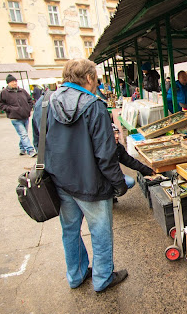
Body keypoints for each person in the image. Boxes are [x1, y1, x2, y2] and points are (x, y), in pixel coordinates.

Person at [41, 58, 129, 292]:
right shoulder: (94, 105)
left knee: (70, 231)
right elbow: (106, 155)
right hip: (91, 184)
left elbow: (38, 142)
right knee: (100, 233)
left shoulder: (45, 102)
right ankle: (102, 279)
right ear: (89, 78)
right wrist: (119, 184)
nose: (97, 82)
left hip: (60, 182)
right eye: (97, 78)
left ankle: (76, 275)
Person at [0, 74, 36, 157]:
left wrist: (28, 108)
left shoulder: (22, 91)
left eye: (15, 81)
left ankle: (22, 149)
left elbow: (29, 100)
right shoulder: (4, 92)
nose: (14, 83)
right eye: (12, 82)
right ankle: (30, 150)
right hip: (15, 117)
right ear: (8, 83)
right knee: (23, 134)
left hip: (25, 115)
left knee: (24, 133)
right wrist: (10, 109)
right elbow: (0, 104)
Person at [112, 124, 154, 191]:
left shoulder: (118, 147)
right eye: (114, 133)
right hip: (100, 178)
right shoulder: (101, 149)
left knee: (130, 182)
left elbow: (130, 161)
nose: (117, 136)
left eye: (117, 133)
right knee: (126, 183)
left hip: (112, 174)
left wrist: (148, 171)